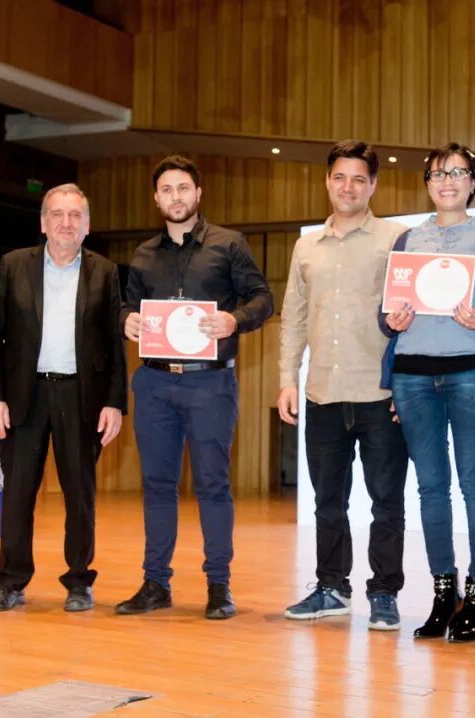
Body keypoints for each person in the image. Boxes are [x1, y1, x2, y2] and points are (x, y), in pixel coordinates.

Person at [118, 155, 273, 620]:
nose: (176, 196)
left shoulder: (229, 244)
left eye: (183, 187)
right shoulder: (143, 255)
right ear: (156, 198)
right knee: (157, 485)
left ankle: (219, 586)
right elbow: (125, 306)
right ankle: (155, 583)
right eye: (167, 189)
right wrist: (125, 321)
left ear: (198, 193)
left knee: (212, 485)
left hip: (210, 383)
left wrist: (234, 320)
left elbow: (263, 298)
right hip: (154, 382)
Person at [381, 143, 475, 643]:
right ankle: (443, 593)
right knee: (430, 487)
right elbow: (386, 313)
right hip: (413, 374)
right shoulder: (407, 239)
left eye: (458, 172)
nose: (447, 180)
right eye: (438, 173)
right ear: (427, 183)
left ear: (473, 181)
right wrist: (391, 320)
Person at [0, 183, 127, 613]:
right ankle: (10, 581)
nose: (66, 223)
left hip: (81, 397)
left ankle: (79, 580)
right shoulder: (13, 266)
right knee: (18, 493)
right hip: (23, 397)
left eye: (75, 215)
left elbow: (114, 345)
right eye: (57, 214)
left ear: (87, 225)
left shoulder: (105, 272)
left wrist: (115, 402)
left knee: (80, 495)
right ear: (43, 223)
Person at [278, 140, 409, 631]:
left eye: (358, 179)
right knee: (327, 502)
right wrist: (287, 379)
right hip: (322, 394)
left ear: (372, 185)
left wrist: (406, 385)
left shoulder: (397, 239)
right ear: (327, 182)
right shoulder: (306, 246)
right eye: (340, 177)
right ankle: (331, 587)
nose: (348, 187)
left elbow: (413, 316)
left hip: (380, 394)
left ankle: (384, 592)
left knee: (386, 502)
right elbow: (293, 317)